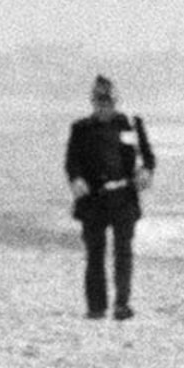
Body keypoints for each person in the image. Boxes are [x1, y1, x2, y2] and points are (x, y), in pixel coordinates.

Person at [64, 75, 157, 320]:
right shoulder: (80, 129)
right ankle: (96, 307)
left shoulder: (131, 126)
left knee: (123, 253)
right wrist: (76, 179)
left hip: (124, 197)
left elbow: (148, 157)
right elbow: (71, 162)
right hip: (93, 200)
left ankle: (121, 305)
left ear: (116, 100)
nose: (103, 104)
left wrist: (146, 172)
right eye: (98, 99)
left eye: (108, 99)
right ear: (92, 101)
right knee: (95, 254)